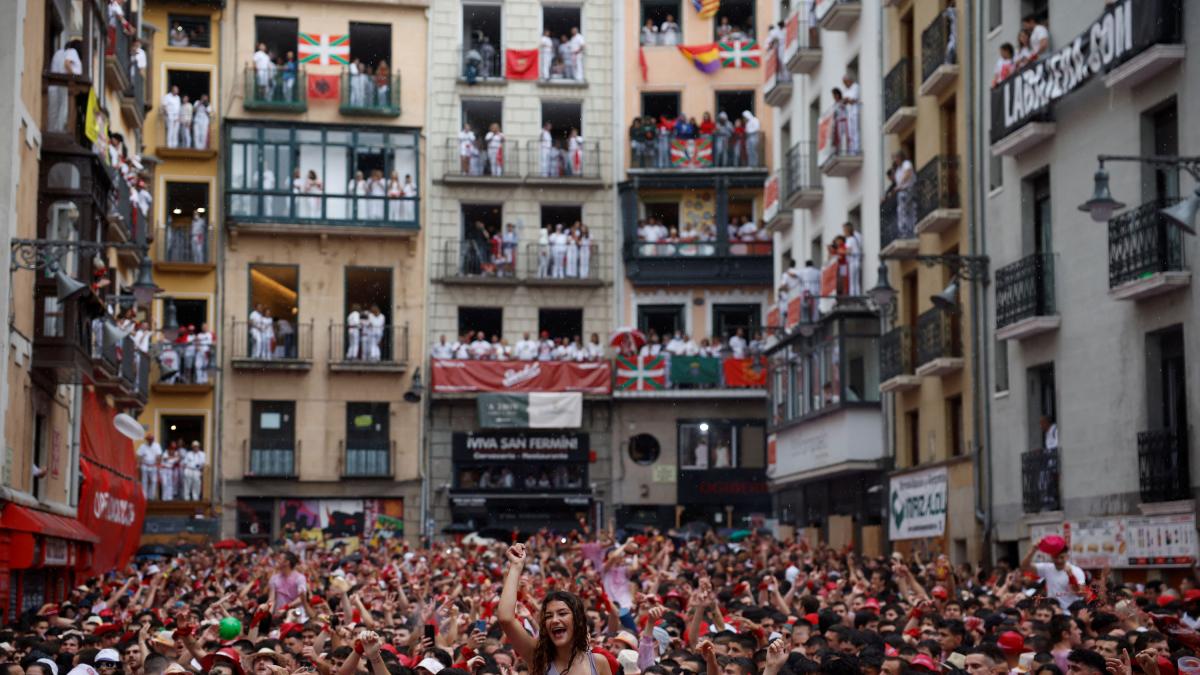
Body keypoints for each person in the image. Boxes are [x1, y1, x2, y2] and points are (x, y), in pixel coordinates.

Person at [498, 543, 614, 675]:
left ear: (578, 620)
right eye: (548, 616)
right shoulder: (539, 658)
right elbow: (506, 618)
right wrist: (516, 566)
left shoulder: (599, 663)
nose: (554, 620)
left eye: (562, 613)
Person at [1022, 535, 1085, 609]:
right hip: (1053, 611)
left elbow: (1081, 594)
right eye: (1056, 557)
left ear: (1067, 556)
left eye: (1062, 557)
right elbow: (1025, 566)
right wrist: (1033, 549)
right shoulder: (1047, 568)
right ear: (1051, 556)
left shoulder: (1076, 571)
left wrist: (1071, 577)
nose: (1059, 560)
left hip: (1070, 612)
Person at [135, 433, 162, 499]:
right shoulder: (143, 446)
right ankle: (144, 496)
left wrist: (158, 464)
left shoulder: (157, 445)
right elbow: (139, 456)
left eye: (151, 439)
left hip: (153, 465)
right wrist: (138, 463)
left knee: (154, 481)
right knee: (144, 481)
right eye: (149, 439)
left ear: (153, 440)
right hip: (145, 465)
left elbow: (159, 455)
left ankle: (151, 496)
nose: (150, 440)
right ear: (147, 440)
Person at [840, 73, 861, 154]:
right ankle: (851, 151)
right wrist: (846, 100)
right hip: (849, 113)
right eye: (844, 83)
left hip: (855, 111)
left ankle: (856, 149)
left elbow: (852, 100)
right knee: (850, 133)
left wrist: (847, 100)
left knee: (855, 131)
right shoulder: (846, 90)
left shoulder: (856, 87)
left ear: (850, 80)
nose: (845, 84)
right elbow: (843, 101)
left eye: (845, 82)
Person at [843, 222, 863, 296]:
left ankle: (852, 296)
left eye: (844, 230)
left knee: (852, 282)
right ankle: (857, 295)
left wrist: (842, 251)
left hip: (852, 262)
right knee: (856, 281)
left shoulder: (849, 239)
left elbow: (848, 251)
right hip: (857, 261)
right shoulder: (856, 237)